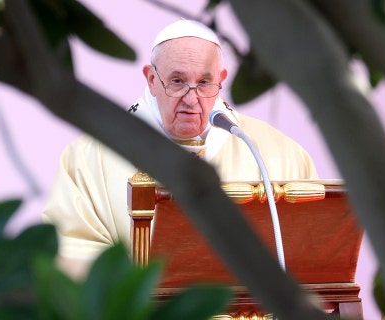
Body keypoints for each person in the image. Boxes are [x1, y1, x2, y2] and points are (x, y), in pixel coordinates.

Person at [42, 19, 318, 279]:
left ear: (221, 79)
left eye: (203, 83)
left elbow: (314, 253)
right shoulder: (91, 156)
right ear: (151, 80)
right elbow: (70, 250)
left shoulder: (277, 153)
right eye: (177, 81)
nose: (191, 99)